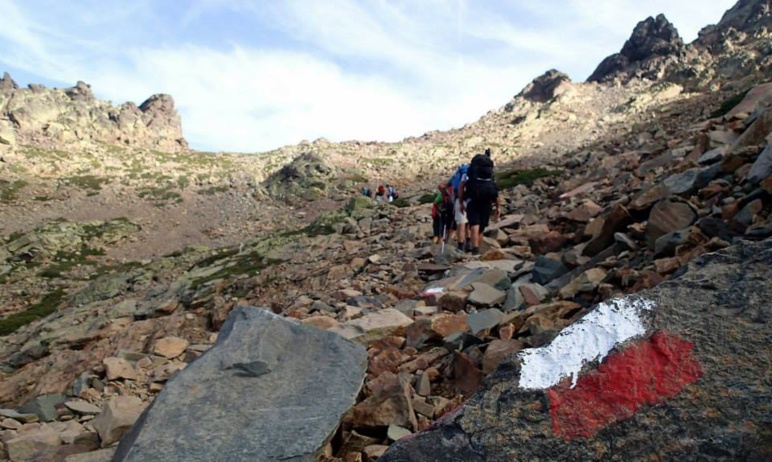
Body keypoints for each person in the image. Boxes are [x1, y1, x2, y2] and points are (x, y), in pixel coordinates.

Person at [459, 148, 499, 255]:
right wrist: (498, 208)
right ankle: (478, 250)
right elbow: (495, 191)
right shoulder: (490, 175)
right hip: (487, 202)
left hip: (472, 201)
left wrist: (460, 202)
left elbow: (461, 187)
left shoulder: (468, 172)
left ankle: (475, 249)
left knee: (474, 225)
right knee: (481, 228)